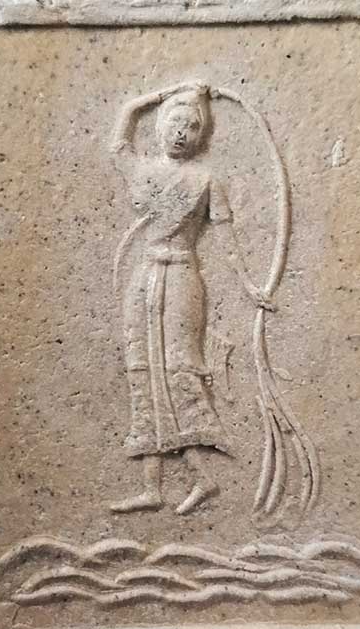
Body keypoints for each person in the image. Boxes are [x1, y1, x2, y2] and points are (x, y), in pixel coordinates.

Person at [110, 81, 272, 515]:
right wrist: (161, 95)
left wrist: (249, 286)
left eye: (191, 126)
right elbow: (120, 135)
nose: (181, 133)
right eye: (174, 123)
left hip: (182, 277)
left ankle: (203, 478)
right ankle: (153, 487)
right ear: (160, 127)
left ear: (201, 136)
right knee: (142, 370)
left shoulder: (205, 180)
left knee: (179, 370)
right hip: (145, 277)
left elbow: (226, 239)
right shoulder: (143, 170)